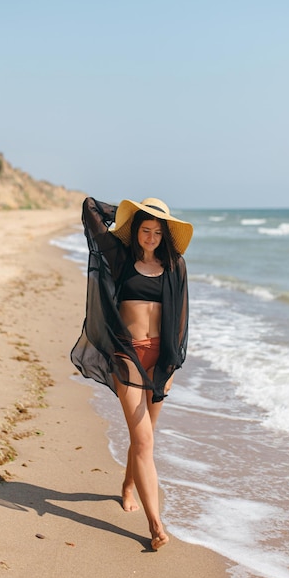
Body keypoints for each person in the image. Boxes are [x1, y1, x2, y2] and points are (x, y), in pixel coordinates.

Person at [71, 196, 193, 550]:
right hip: (127, 353)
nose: (151, 236)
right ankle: (156, 525)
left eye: (157, 231)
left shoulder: (176, 265)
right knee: (144, 441)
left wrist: (173, 362)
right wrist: (122, 215)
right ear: (136, 230)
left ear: (164, 235)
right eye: (145, 228)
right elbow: (90, 211)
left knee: (145, 436)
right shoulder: (121, 258)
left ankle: (128, 485)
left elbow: (182, 317)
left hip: (161, 356)